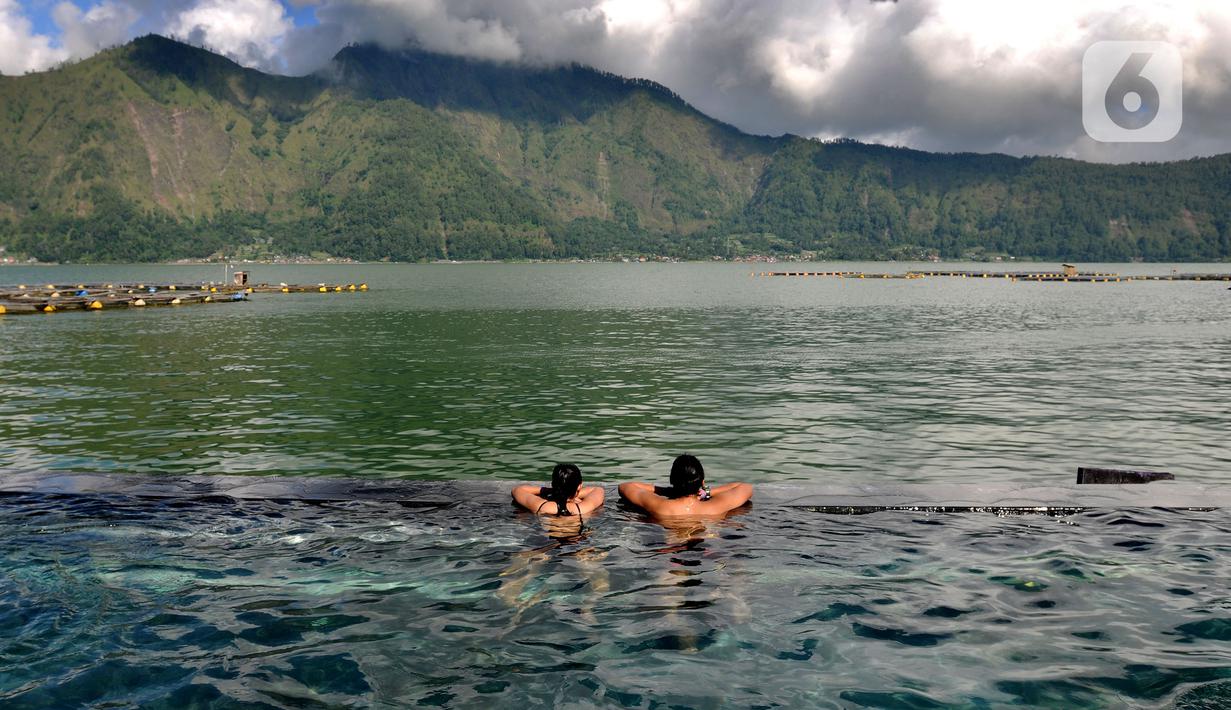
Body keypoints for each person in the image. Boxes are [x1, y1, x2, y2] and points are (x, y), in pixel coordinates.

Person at [617, 454, 752, 517]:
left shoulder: (659, 505)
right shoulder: (716, 507)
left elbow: (625, 486)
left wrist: (666, 491)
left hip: (672, 550)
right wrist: (707, 492)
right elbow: (745, 487)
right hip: (711, 549)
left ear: (671, 481)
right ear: (702, 482)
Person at [511, 463, 605, 518]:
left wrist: (552, 491)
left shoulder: (542, 506)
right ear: (579, 487)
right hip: (577, 543)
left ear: (553, 485)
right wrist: (574, 494)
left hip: (547, 543)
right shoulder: (584, 508)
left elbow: (517, 490)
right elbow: (598, 489)